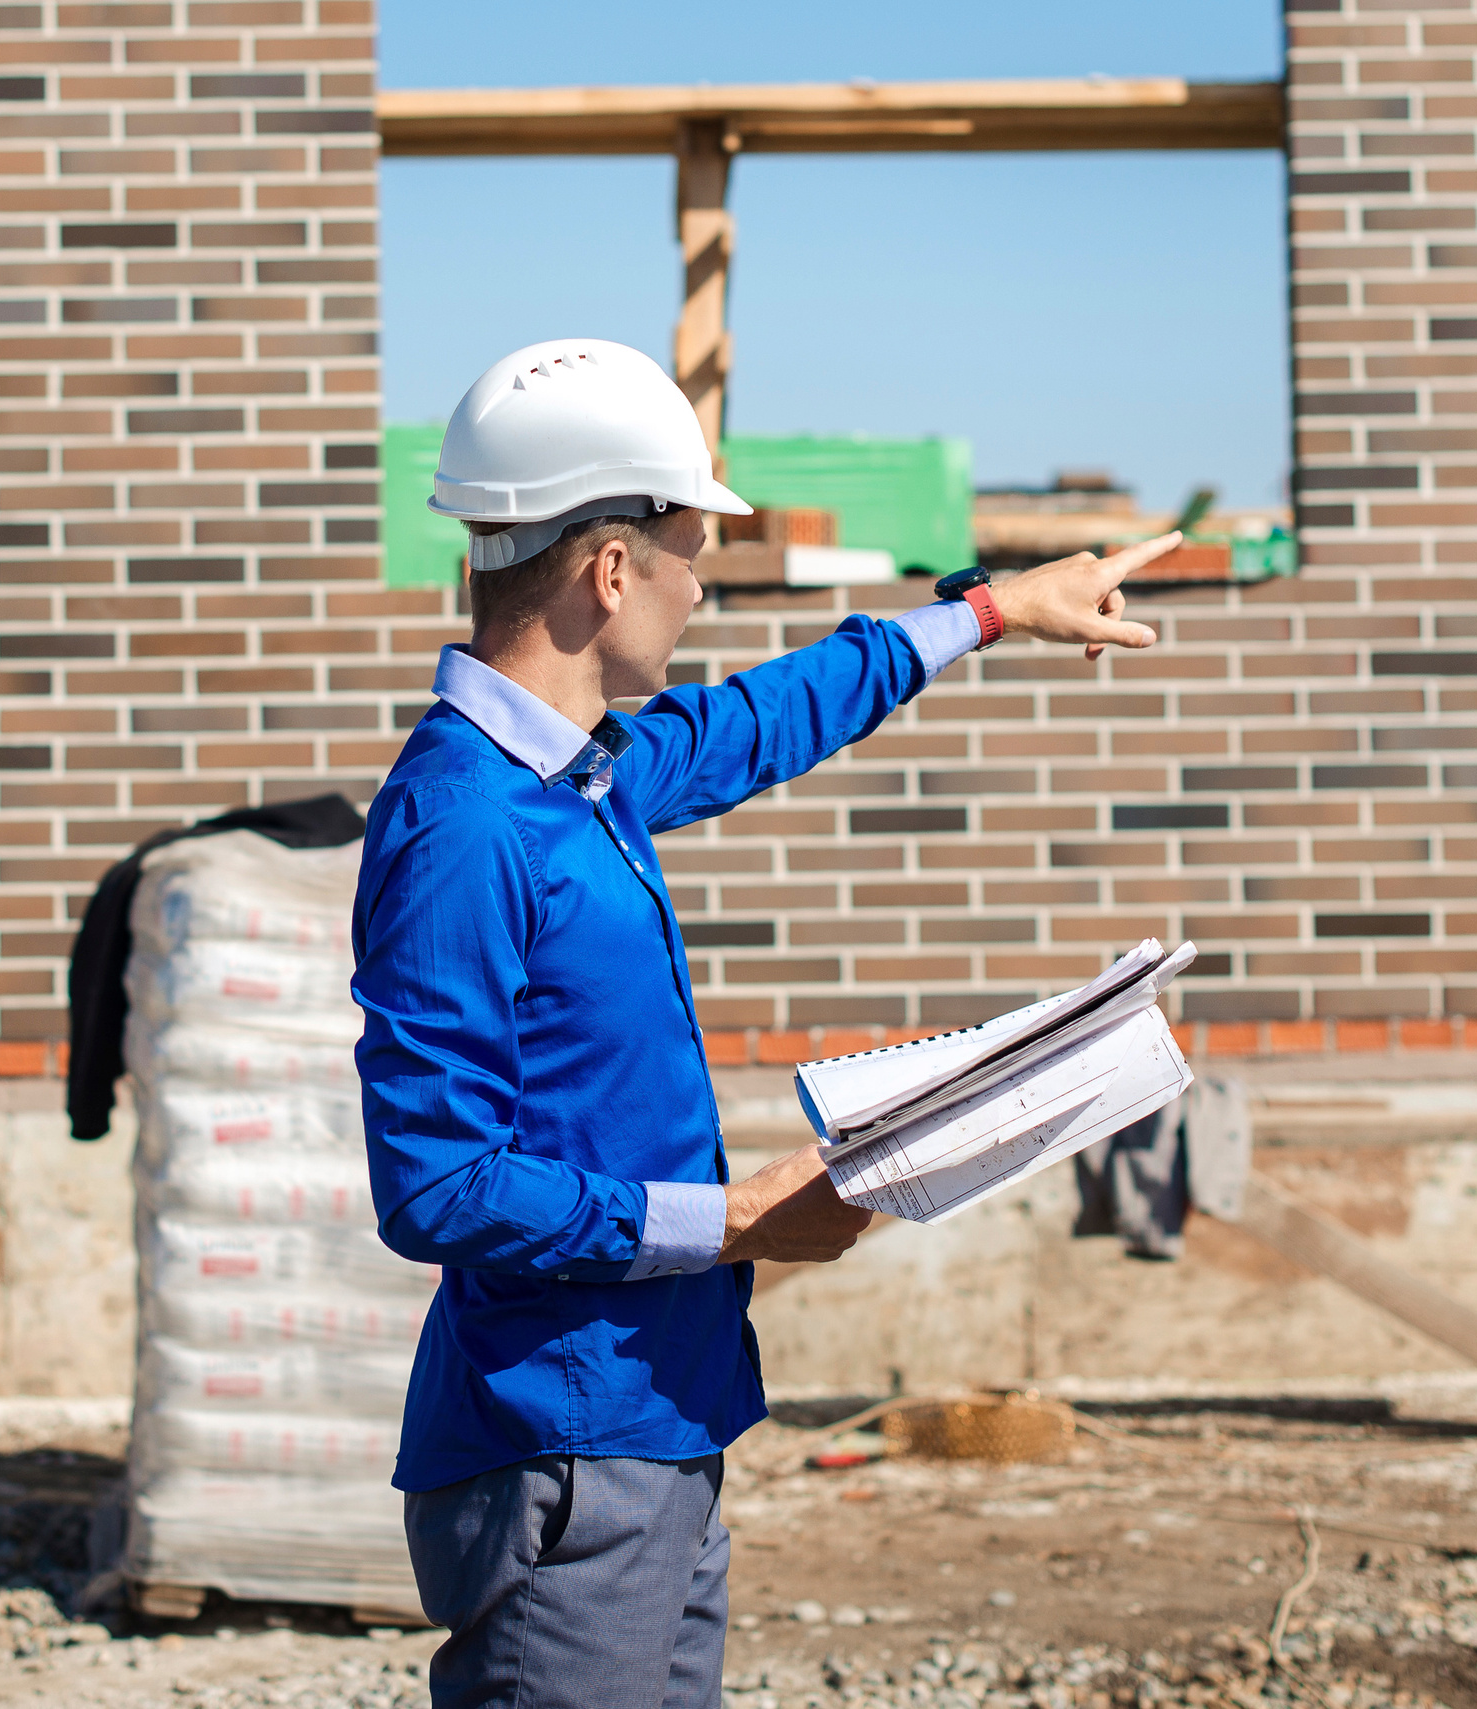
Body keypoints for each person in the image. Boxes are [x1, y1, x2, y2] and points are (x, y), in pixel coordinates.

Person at [351, 337, 1177, 1709]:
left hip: (657, 1417)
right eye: (690, 552)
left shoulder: (581, 778)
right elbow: (435, 1182)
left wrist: (991, 611)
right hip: (559, 1445)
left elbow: (750, 722)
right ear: (610, 568)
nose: (699, 584)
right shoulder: (466, 823)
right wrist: (732, 1220)